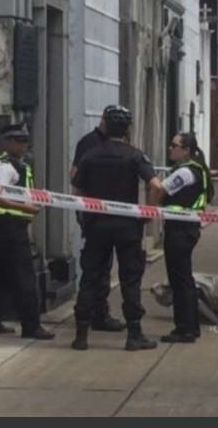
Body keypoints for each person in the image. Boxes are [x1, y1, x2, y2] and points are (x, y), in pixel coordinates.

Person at [70, 106, 163, 351]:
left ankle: (81, 335)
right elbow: (156, 186)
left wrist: (85, 216)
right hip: (127, 226)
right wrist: (148, 213)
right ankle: (134, 335)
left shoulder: (90, 155)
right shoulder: (134, 156)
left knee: (90, 277)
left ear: (105, 125)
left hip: (96, 226)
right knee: (130, 280)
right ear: (127, 129)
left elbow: (77, 188)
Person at [0, 123, 55, 340]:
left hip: (14, 226)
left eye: (25, 141)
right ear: (7, 142)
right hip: (8, 226)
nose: (24, 146)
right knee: (25, 278)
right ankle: (31, 326)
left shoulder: (18, 165)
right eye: (19, 141)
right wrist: (25, 208)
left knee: (1, 276)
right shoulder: (4, 167)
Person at [68, 105, 127, 333]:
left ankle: (96, 312)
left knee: (103, 267)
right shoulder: (90, 143)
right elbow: (75, 176)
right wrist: (84, 209)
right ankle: (95, 314)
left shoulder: (113, 142)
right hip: (94, 214)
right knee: (96, 268)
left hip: (108, 214)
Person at [156, 132, 214, 343]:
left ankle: (184, 329)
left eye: (174, 146)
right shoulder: (197, 169)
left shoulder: (185, 172)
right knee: (185, 280)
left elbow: (160, 190)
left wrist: (152, 202)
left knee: (179, 281)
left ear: (186, 151)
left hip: (179, 230)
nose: (170, 149)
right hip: (188, 229)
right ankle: (191, 326)